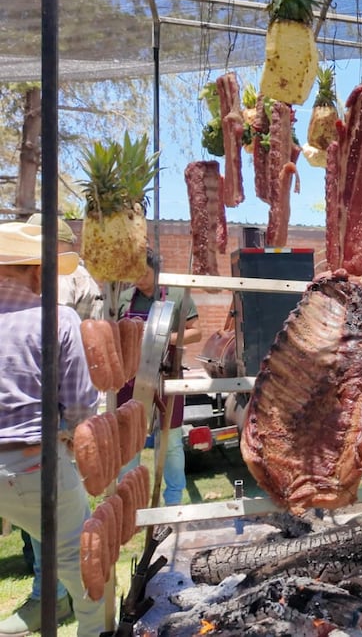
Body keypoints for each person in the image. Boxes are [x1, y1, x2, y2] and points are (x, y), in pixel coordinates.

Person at [2, 215, 106, 637]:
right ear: (34, 270)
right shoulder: (56, 318)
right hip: (33, 466)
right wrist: (70, 434)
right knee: (83, 566)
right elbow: (82, 405)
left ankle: (42, 605)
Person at [116, 248, 200, 506]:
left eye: (145, 272)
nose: (139, 279)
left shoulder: (177, 294)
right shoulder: (125, 297)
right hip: (130, 380)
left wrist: (160, 339)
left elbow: (196, 332)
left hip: (166, 377)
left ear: (157, 271)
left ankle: (173, 502)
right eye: (135, 273)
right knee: (131, 441)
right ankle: (131, 503)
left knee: (171, 441)